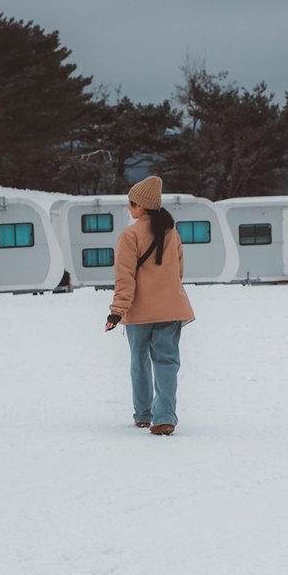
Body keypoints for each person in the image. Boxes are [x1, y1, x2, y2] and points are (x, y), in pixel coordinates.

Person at [104, 175, 195, 435]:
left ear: (141, 207)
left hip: (139, 311)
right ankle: (165, 417)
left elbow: (124, 278)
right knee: (166, 362)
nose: (129, 208)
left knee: (139, 360)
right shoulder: (172, 233)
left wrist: (116, 311)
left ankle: (143, 414)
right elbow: (178, 273)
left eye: (131, 204)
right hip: (171, 308)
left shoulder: (130, 235)